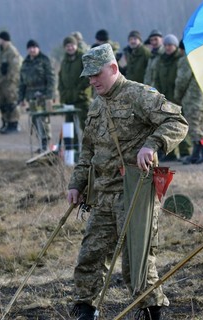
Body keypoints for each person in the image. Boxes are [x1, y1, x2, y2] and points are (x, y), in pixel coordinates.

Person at [67, 44, 188, 320]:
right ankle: (86, 309)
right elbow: (88, 151)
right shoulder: (97, 105)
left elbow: (177, 122)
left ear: (113, 68)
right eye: (88, 77)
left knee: (138, 261)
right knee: (90, 255)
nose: (92, 81)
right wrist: (76, 184)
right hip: (102, 195)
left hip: (134, 191)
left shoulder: (139, 95)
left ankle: (150, 310)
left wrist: (152, 144)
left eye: (97, 74)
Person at [174, 40, 203, 164]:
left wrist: (177, 96)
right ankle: (196, 155)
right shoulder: (202, 59)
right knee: (200, 126)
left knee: (194, 128)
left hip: (192, 99)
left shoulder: (187, 60)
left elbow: (181, 81)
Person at [153, 34, 190, 161]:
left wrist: (179, 95)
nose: (168, 47)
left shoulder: (180, 59)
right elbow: (156, 78)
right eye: (166, 45)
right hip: (165, 98)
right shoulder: (161, 60)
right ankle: (171, 153)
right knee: (167, 127)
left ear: (175, 46)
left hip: (178, 97)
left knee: (182, 125)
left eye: (171, 45)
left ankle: (186, 152)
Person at [18, 39, 55, 151]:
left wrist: (49, 95)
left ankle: (46, 145)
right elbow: (22, 83)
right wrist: (21, 98)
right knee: (35, 121)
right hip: (31, 96)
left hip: (42, 95)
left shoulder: (44, 60)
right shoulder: (25, 63)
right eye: (30, 48)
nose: (32, 50)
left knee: (43, 120)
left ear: (38, 48)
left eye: (34, 47)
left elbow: (51, 78)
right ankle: (41, 144)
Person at [58, 36, 91, 131]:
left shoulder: (83, 58)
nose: (70, 48)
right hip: (68, 100)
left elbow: (88, 76)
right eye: (67, 46)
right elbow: (60, 79)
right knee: (69, 128)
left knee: (86, 126)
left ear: (76, 45)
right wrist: (63, 93)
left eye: (72, 45)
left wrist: (79, 89)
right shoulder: (64, 61)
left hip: (82, 99)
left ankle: (89, 146)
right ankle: (72, 146)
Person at [0, 30, 23, 134]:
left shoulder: (12, 52)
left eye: (0, 39)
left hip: (10, 83)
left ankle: (13, 123)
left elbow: (14, 69)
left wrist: (9, 80)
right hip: (2, 83)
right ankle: (6, 122)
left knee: (12, 102)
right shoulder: (2, 51)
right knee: (4, 103)